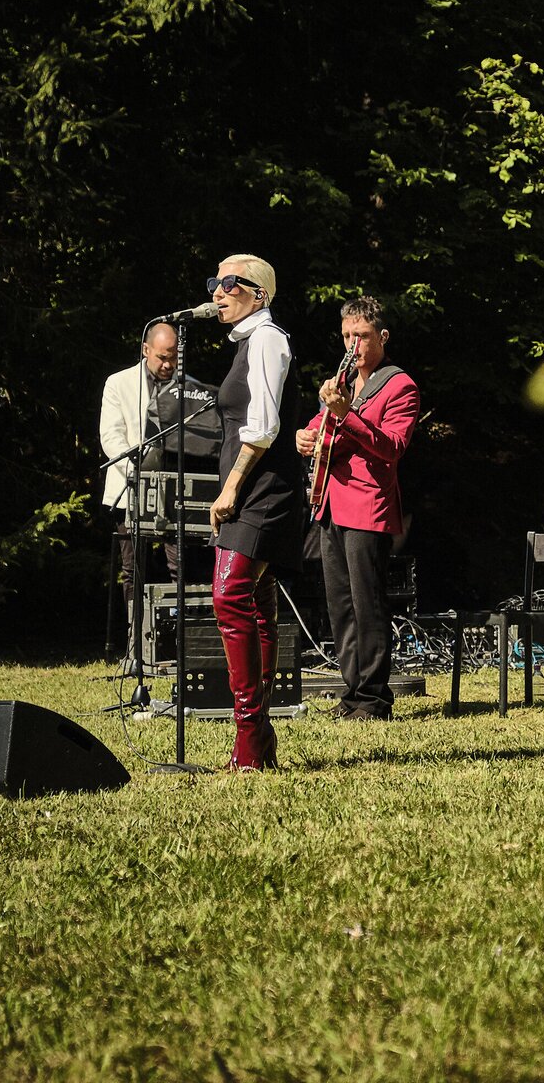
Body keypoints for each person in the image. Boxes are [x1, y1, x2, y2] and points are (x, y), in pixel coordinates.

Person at [294, 296, 420, 720]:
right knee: (341, 606)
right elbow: (321, 425)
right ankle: (353, 692)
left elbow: (392, 447)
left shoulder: (399, 385)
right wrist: (304, 435)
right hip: (331, 503)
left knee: (368, 606)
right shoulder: (344, 380)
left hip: (368, 505)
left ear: (382, 336)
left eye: (362, 336)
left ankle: (374, 698)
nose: (353, 344)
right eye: (347, 335)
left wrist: (346, 413)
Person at [205, 255, 303, 771]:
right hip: (253, 489)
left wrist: (230, 489)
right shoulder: (249, 341)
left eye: (230, 283)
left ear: (259, 293)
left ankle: (249, 738)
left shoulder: (267, 338)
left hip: (264, 490)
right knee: (258, 602)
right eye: (215, 283)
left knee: (229, 596)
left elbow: (263, 427)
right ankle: (258, 743)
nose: (218, 292)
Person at [98, 321, 220, 602]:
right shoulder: (119, 383)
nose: (168, 364)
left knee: (181, 566)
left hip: (175, 491)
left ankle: (179, 624)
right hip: (131, 487)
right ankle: (134, 627)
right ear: (145, 350)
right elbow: (111, 436)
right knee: (133, 568)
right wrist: (137, 472)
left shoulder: (190, 388)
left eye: (174, 358)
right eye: (162, 357)